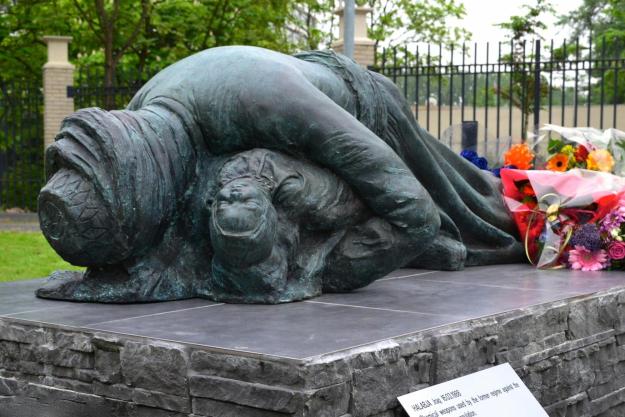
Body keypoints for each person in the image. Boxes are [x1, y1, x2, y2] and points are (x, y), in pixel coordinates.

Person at [37, 46, 524, 304]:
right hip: (300, 157)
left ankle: (568, 208)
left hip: (373, 116)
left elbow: (413, 212)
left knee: (485, 216)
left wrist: (321, 268)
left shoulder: (261, 102)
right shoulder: (144, 122)